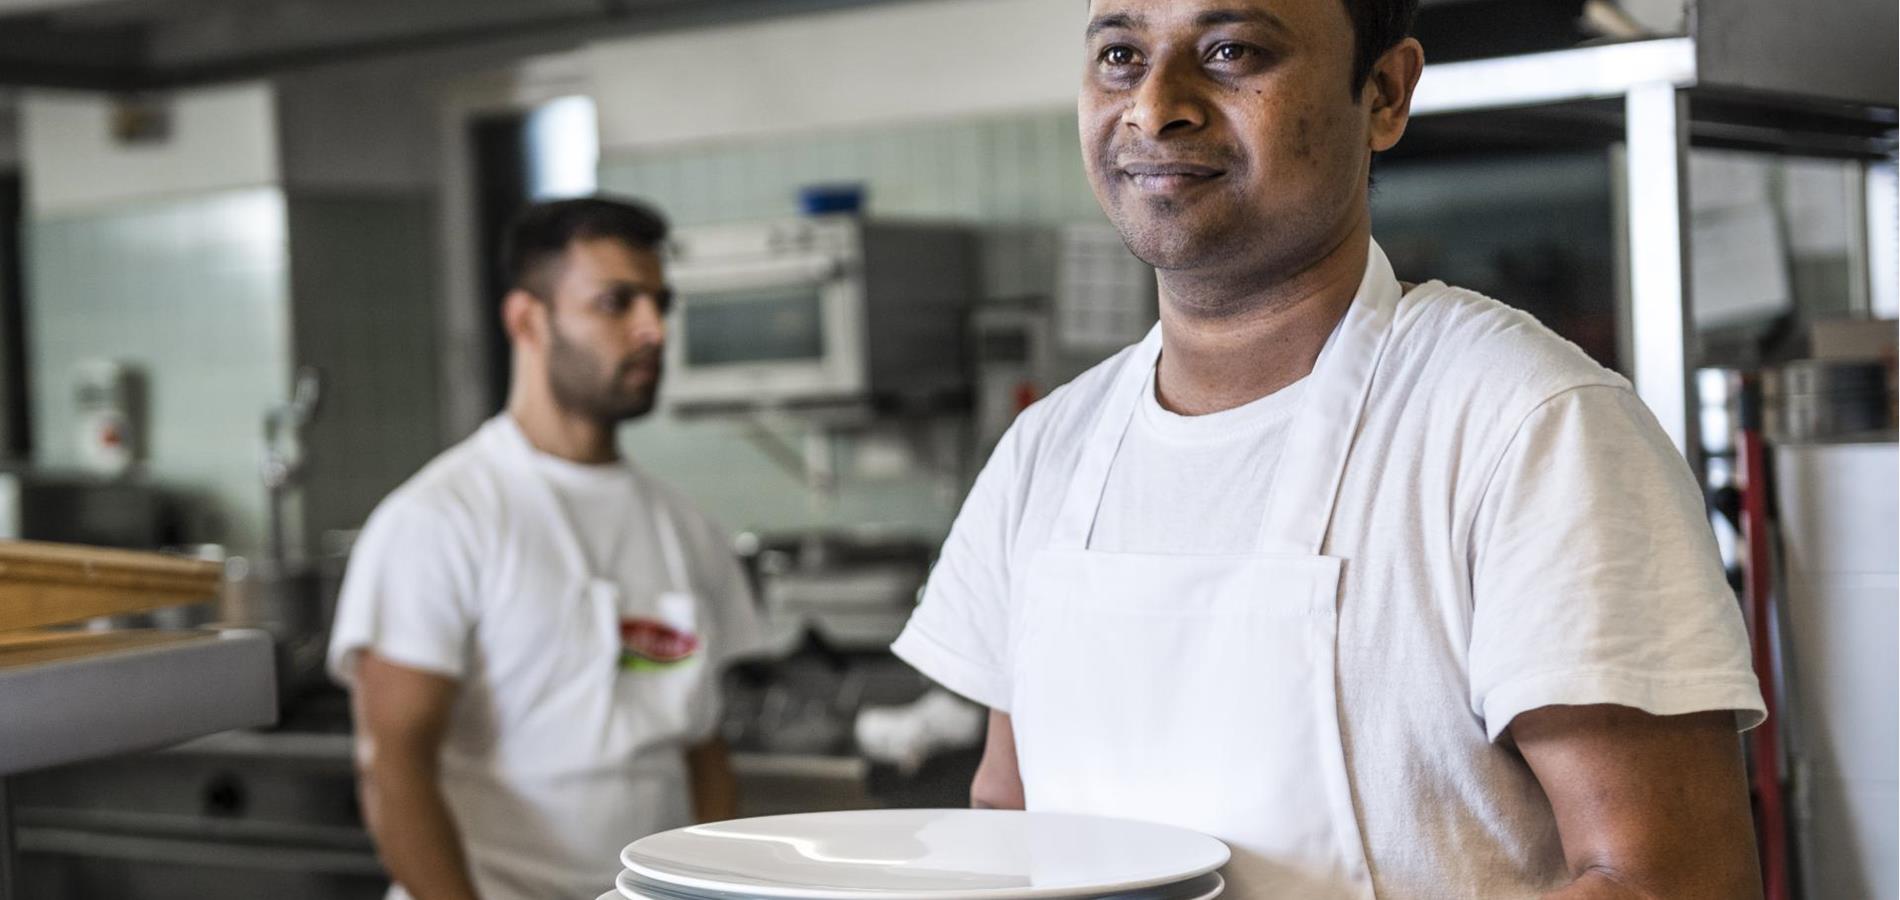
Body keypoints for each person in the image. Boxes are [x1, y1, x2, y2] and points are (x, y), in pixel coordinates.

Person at [891, 2, 1767, 898]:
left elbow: (1669, 881)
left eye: (1231, 51)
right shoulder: (1048, 450)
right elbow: (1008, 823)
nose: (1155, 107)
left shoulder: (1527, 427)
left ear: (1385, 94)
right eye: (1120, 55)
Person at [328, 197, 764, 900]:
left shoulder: (687, 528)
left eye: (660, 302)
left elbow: (704, 755)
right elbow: (393, 767)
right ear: (526, 319)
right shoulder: (441, 519)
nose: (653, 329)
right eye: (616, 303)